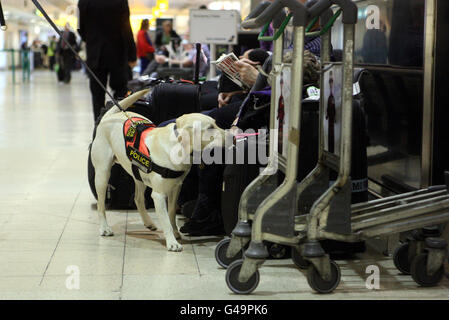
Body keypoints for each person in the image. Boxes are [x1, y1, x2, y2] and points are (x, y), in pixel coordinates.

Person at [78, 0, 137, 121]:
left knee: (97, 96)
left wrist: (92, 41)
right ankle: (119, 127)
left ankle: (98, 129)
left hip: (95, 55)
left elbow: (81, 29)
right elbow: (126, 28)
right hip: (117, 53)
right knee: (120, 94)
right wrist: (132, 54)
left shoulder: (84, 2)